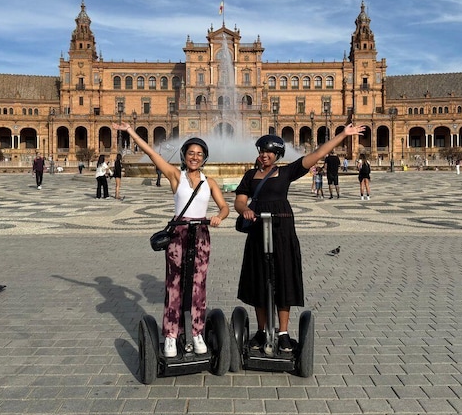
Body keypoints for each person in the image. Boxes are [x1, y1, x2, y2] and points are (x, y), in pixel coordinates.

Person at [235, 124, 366, 353]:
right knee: (259, 278)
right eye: (262, 150)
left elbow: (317, 155)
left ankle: (283, 332)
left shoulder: (286, 172)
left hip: (282, 229)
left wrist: (343, 135)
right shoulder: (249, 175)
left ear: (277, 155)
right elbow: (239, 200)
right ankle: (261, 330)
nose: (264, 155)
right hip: (257, 229)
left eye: (269, 152)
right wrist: (244, 210)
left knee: (282, 276)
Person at [113, 123, 229, 357]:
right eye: (190, 154)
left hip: (201, 234)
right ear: (184, 157)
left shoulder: (211, 182)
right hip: (179, 233)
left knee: (199, 285)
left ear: (204, 158)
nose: (195, 158)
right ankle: (170, 335)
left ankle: (197, 332)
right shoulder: (176, 176)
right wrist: (132, 132)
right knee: (174, 284)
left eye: (199, 154)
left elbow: (224, 207)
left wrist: (218, 217)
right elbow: (152, 154)